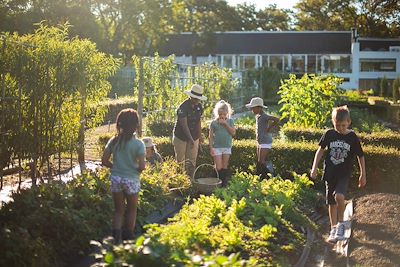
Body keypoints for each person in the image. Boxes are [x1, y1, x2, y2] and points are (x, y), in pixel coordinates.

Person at [310, 105, 366, 243]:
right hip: (330, 173)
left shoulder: (352, 137)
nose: (340, 128)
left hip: (344, 174)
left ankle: (341, 224)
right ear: (333, 122)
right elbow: (320, 151)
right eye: (337, 125)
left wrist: (363, 174)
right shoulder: (329, 134)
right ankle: (333, 228)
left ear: (349, 122)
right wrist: (314, 167)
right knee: (331, 202)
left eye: (343, 125)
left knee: (339, 196)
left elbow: (360, 156)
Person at [101, 108, 145, 244]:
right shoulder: (139, 144)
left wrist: (115, 167)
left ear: (119, 124)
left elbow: (104, 160)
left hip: (116, 179)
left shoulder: (113, 141)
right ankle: (128, 236)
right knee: (131, 209)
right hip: (131, 179)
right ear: (136, 126)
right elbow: (142, 166)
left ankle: (115, 238)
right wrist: (135, 169)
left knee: (118, 210)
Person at [173, 84, 206, 179]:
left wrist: (199, 136)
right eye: (195, 98)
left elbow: (198, 122)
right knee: (180, 159)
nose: (197, 101)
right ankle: (180, 179)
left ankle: (191, 179)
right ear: (191, 96)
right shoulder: (182, 108)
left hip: (194, 135)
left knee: (191, 160)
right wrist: (191, 139)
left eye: (198, 99)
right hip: (181, 136)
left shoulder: (199, 107)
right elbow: (184, 126)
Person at [245, 97, 280, 179]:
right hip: (260, 141)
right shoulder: (258, 116)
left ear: (258, 108)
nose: (252, 110)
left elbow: (276, 119)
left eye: (253, 108)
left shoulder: (264, 116)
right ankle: (262, 176)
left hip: (265, 141)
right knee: (260, 161)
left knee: (262, 161)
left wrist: (269, 128)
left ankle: (269, 176)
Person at [209, 100, 236, 186]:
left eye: (224, 114)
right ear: (217, 113)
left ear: (227, 113)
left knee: (224, 166)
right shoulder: (213, 123)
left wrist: (225, 124)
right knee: (218, 167)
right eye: (220, 114)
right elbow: (211, 136)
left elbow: (233, 133)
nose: (222, 116)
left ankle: (223, 184)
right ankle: (216, 182)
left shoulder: (230, 121)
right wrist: (211, 148)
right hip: (217, 147)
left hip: (227, 147)